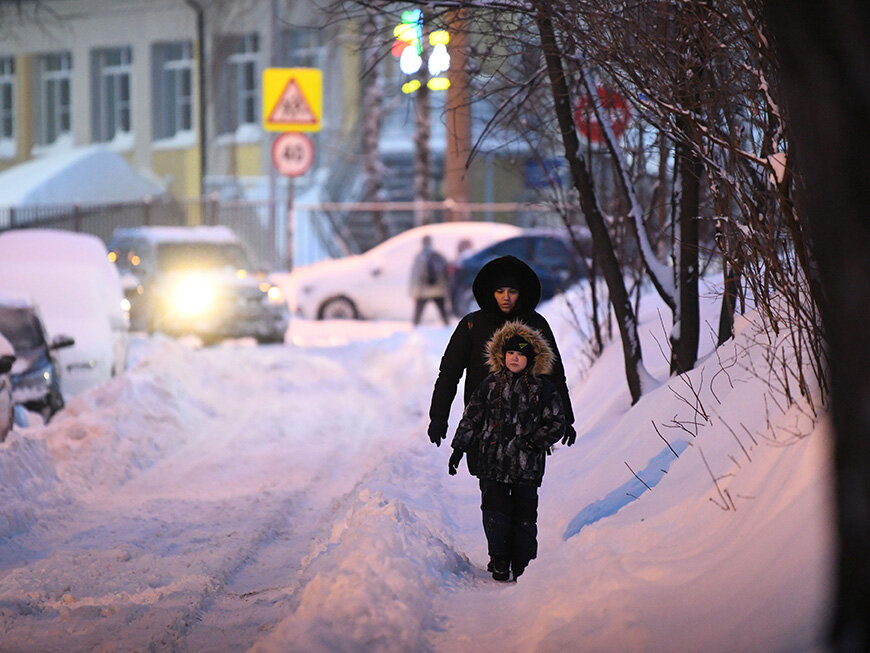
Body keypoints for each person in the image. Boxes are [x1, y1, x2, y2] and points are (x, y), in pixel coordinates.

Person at [447, 321, 567, 581]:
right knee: (495, 512)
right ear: (502, 356)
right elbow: (472, 417)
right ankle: (499, 559)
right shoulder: (490, 385)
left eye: (521, 354)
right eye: (511, 353)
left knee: (524, 516)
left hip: (527, 463)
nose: (515, 358)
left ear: (531, 358)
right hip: (493, 461)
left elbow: (557, 422)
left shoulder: (542, 389)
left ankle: (523, 564)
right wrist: (459, 448)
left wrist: (536, 441)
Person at [427, 254, 576, 456]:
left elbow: (554, 374)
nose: (506, 297)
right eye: (500, 291)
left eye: (512, 291)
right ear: (491, 293)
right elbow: (449, 373)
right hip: (484, 426)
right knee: (490, 487)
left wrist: (565, 417)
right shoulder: (472, 325)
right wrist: (438, 416)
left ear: (521, 293)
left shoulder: (535, 324)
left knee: (525, 487)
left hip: (528, 430)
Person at [409, 235, 450, 326]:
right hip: (438, 290)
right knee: (443, 312)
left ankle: (415, 328)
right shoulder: (438, 255)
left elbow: (415, 276)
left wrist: (414, 293)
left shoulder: (420, 257)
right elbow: (446, 273)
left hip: (424, 291)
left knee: (418, 314)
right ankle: (448, 327)